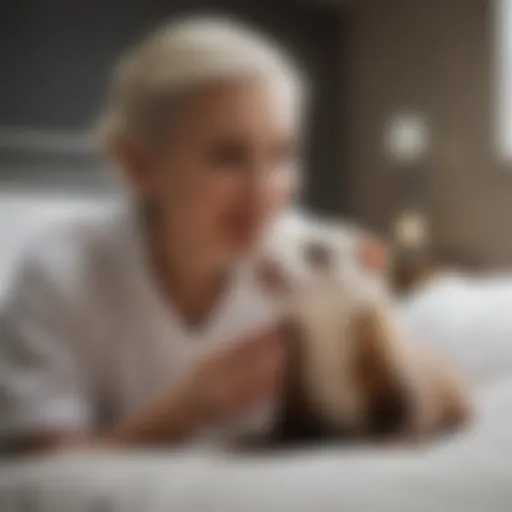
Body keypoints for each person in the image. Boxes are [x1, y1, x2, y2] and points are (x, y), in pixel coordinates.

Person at [0, 16, 305, 453]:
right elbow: (39, 471)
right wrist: (192, 406)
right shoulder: (60, 275)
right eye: (227, 157)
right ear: (139, 165)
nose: (264, 191)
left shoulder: (308, 261)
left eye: (280, 155)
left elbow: (429, 391)